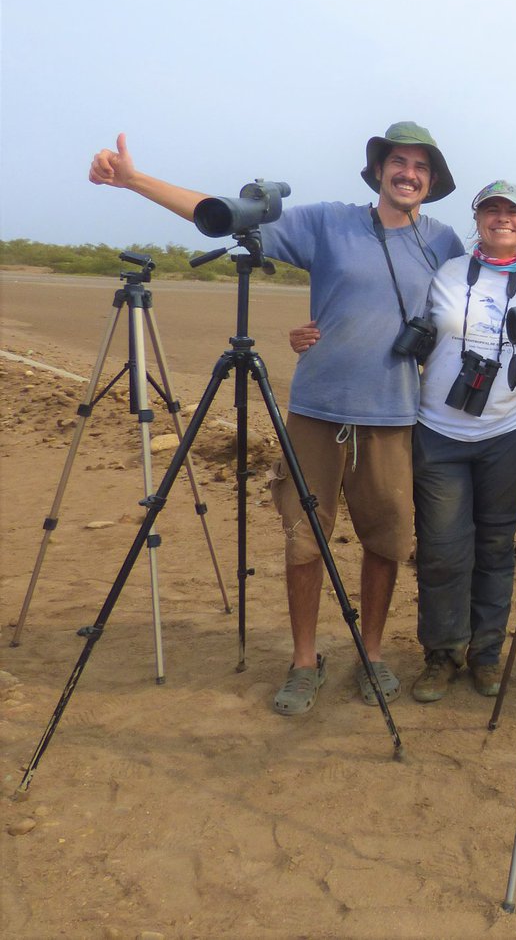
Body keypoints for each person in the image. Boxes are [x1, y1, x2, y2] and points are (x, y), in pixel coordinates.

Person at [87, 123, 464, 715]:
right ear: (379, 170)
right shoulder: (328, 222)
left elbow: (482, 306)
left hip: (394, 416)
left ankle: (371, 653)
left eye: (420, 165)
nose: (408, 173)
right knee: (302, 538)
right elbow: (223, 214)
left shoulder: (445, 243)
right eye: (398, 161)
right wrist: (134, 181)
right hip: (317, 409)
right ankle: (304, 660)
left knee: (387, 542)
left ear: (433, 180)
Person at [408, 181, 516, 702]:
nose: (501, 219)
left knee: (495, 548)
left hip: (507, 436)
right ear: (478, 221)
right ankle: (441, 654)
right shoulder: (444, 273)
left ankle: (486, 654)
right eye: (491, 211)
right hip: (440, 433)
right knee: (443, 551)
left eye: (512, 211)